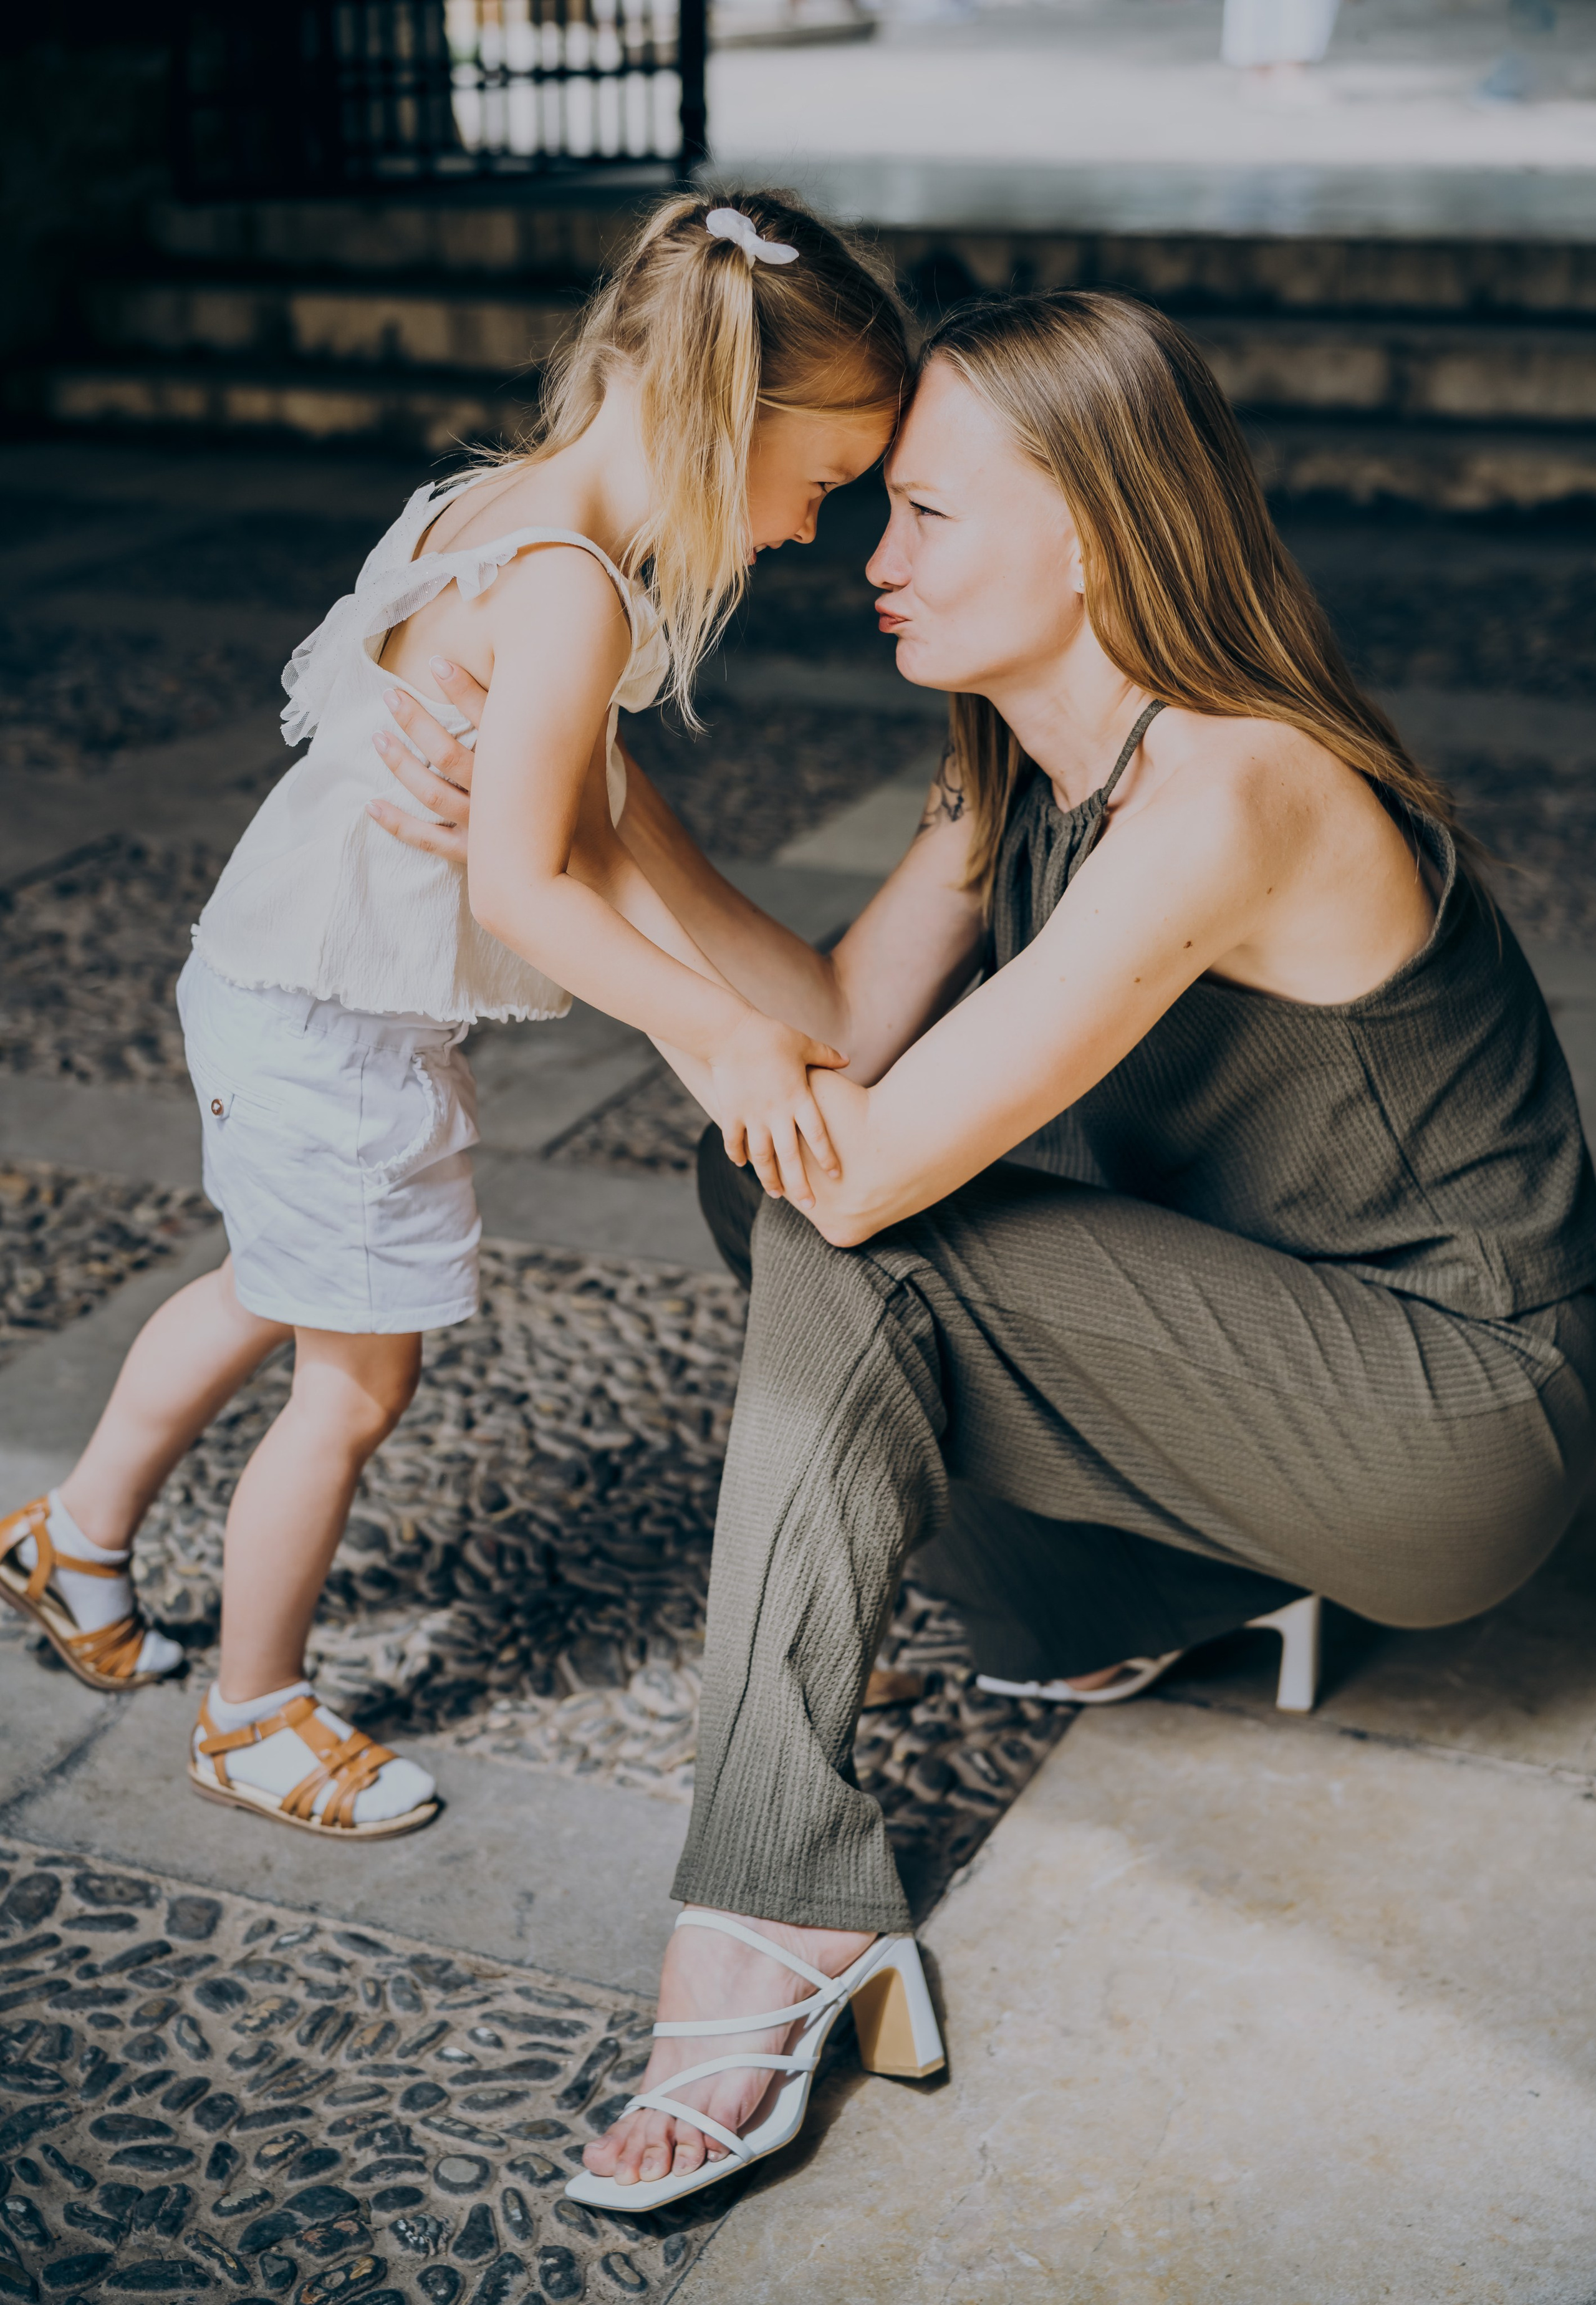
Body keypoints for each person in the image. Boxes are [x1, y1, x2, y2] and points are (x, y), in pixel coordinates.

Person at [370, 282, 1596, 2207]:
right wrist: (606, 820)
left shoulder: (1235, 782)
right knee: (762, 1169)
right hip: (1276, 1361)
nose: (875, 553)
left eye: (931, 512)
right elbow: (839, 1048)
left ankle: (774, 1907)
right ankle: (1134, 1603)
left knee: (849, 1222)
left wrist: (609, 906)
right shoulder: (1008, 754)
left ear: (1099, 528)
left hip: (1461, 1419)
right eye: (882, 506)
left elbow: (858, 1185)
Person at [0, 191, 910, 1844]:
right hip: (338, 1026)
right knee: (357, 1383)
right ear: (728, 416)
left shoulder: (478, 503)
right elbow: (524, 888)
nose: (806, 530)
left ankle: (74, 1534)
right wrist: (735, 1033)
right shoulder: (573, 593)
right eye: (824, 481)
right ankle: (256, 1711)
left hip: (269, 977)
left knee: (262, 1280)